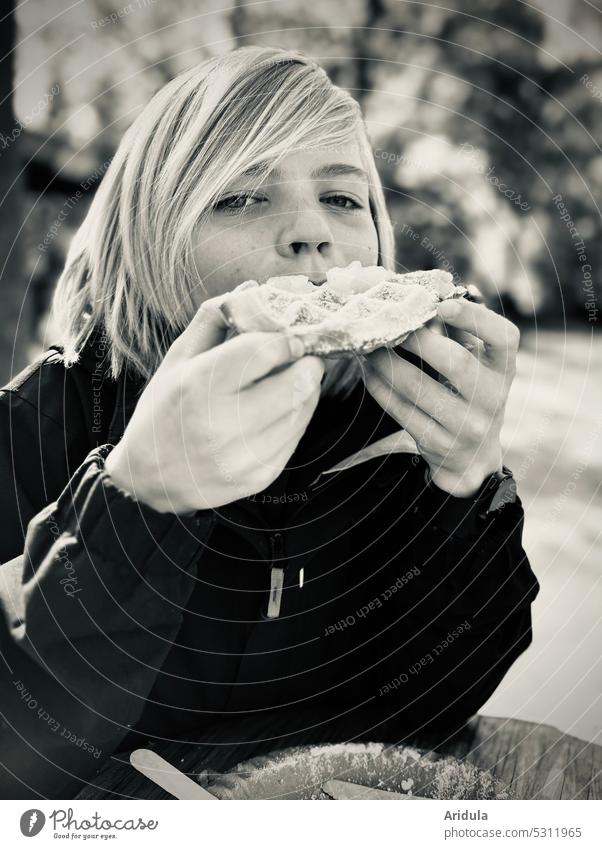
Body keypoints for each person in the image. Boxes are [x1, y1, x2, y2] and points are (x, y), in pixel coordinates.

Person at [0, 46, 538, 798]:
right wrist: (136, 502)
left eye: (344, 200)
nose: (310, 233)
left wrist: (469, 487)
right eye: (242, 197)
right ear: (148, 239)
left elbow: (432, 709)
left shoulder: (389, 434)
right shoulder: (36, 429)